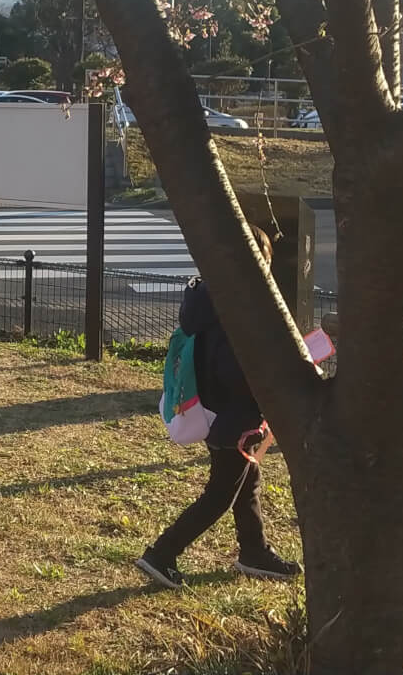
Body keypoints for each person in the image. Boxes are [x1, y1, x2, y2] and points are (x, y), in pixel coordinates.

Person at [134, 228, 301, 589]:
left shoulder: (210, 296)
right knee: (221, 493)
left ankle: (254, 551)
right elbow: (237, 371)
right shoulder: (240, 309)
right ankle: (161, 554)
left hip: (211, 409)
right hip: (233, 415)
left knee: (247, 483)